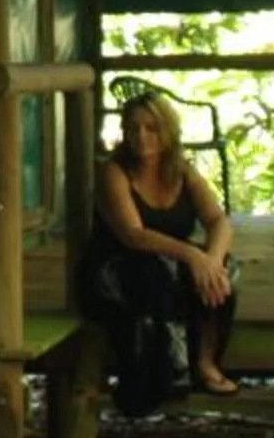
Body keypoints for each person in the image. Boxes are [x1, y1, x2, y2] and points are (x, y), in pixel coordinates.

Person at [77, 87, 238, 414]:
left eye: (151, 127)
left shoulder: (182, 171)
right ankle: (169, 368)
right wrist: (193, 256)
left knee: (226, 273)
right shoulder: (114, 172)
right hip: (116, 267)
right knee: (154, 273)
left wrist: (213, 260)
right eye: (133, 127)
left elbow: (218, 219)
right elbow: (134, 235)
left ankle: (206, 362)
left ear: (168, 131)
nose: (141, 135)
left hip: (169, 259)